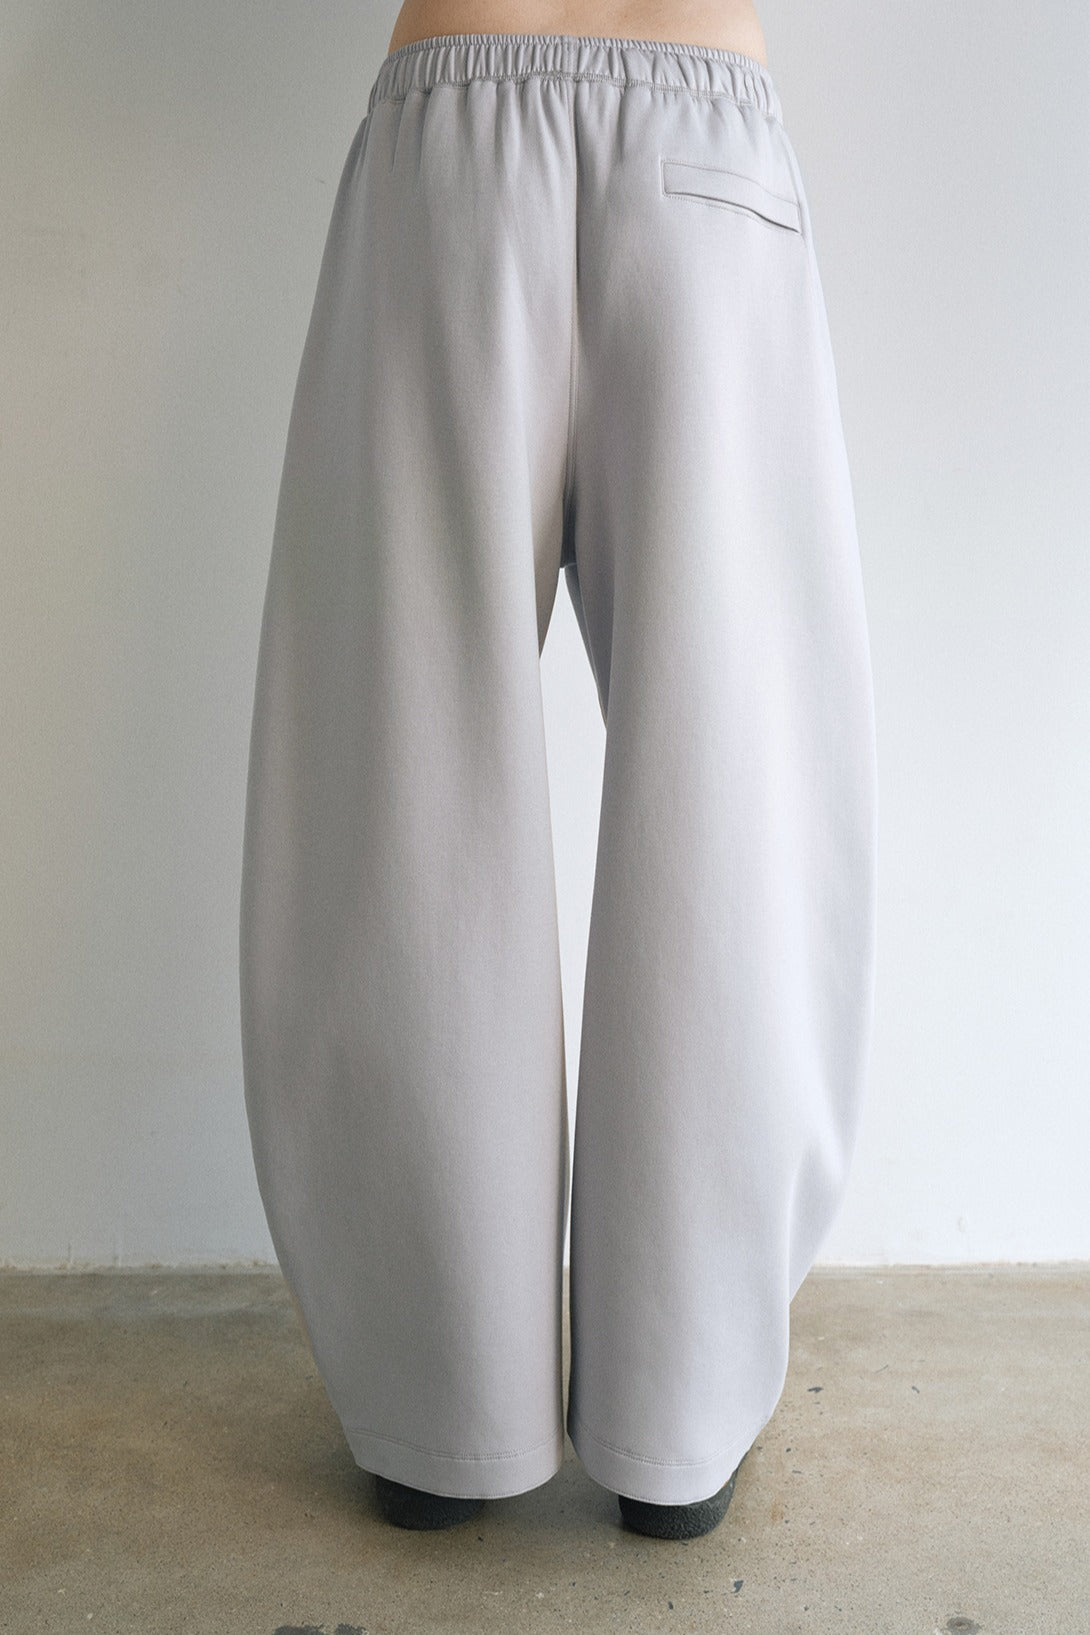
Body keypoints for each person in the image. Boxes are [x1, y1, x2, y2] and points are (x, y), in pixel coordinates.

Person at [239, 0, 879, 1542]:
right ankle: (677, 1419)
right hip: (707, 147)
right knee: (734, 795)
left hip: (450, 143)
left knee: (398, 779)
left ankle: (438, 1413)